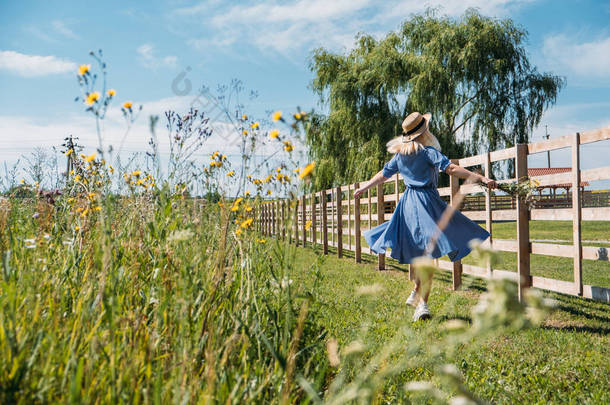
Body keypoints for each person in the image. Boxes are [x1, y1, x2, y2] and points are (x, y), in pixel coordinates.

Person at [354, 112, 497, 321]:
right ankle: (422, 306)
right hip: (427, 204)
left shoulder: (400, 155)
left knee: (423, 251)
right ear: (425, 131)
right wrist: (481, 177)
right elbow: (452, 168)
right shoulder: (428, 152)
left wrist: (363, 188)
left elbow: (383, 175)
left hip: (408, 205)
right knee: (429, 254)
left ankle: (416, 291)